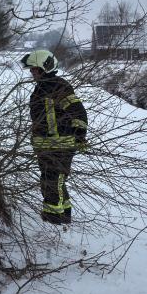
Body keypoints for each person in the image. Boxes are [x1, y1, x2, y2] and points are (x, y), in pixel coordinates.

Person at [21, 49, 87, 225]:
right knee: (51, 180)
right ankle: (63, 214)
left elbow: (78, 112)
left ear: (45, 67)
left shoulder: (59, 87)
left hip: (61, 145)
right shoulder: (41, 88)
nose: (31, 73)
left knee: (53, 180)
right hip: (45, 145)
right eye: (31, 69)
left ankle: (53, 218)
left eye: (34, 69)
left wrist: (80, 136)